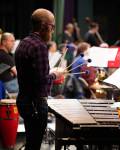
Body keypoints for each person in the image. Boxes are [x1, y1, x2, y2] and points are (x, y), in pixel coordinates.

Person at [15, 8, 63, 150]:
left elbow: (32, 74)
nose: (53, 31)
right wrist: (56, 75)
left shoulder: (24, 42)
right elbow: (41, 80)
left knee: (30, 144)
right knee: (34, 145)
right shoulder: (40, 46)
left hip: (23, 99)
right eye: (52, 27)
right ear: (44, 26)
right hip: (35, 103)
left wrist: (50, 72)